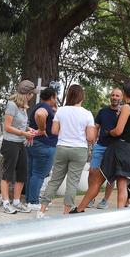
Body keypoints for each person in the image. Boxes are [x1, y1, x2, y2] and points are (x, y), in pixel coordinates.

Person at [70, 81, 130, 211]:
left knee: (97, 180)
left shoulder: (126, 107)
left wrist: (109, 132)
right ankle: (120, 213)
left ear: (124, 93)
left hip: (119, 148)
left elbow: (118, 131)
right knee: (122, 184)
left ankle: (80, 208)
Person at [38, 84, 95, 218]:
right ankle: (66, 212)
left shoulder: (61, 111)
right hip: (79, 149)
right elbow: (90, 137)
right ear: (82, 96)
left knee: (55, 179)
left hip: (62, 147)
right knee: (72, 182)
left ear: (69, 95)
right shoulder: (87, 114)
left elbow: (54, 131)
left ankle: (41, 210)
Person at [0, 80, 37, 214]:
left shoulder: (23, 107)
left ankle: (16, 202)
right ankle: (5, 203)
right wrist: (24, 133)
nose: (33, 96)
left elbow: (20, 125)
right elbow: (8, 127)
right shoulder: (12, 105)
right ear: (27, 94)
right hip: (10, 143)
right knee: (7, 173)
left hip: (21, 143)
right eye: (32, 93)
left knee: (22, 173)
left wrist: (30, 130)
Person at [83, 88, 122, 209]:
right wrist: (93, 143)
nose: (114, 97)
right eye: (113, 95)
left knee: (110, 175)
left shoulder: (123, 113)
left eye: (117, 96)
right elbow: (96, 127)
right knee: (92, 172)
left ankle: (105, 200)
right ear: (110, 97)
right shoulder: (103, 111)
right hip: (100, 146)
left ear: (121, 98)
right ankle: (91, 197)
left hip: (114, 148)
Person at [25, 87, 58, 209]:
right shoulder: (44, 108)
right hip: (44, 144)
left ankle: (30, 199)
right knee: (39, 174)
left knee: (32, 174)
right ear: (52, 97)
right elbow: (40, 114)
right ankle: (33, 202)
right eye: (55, 97)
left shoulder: (38, 105)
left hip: (34, 143)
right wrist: (42, 129)